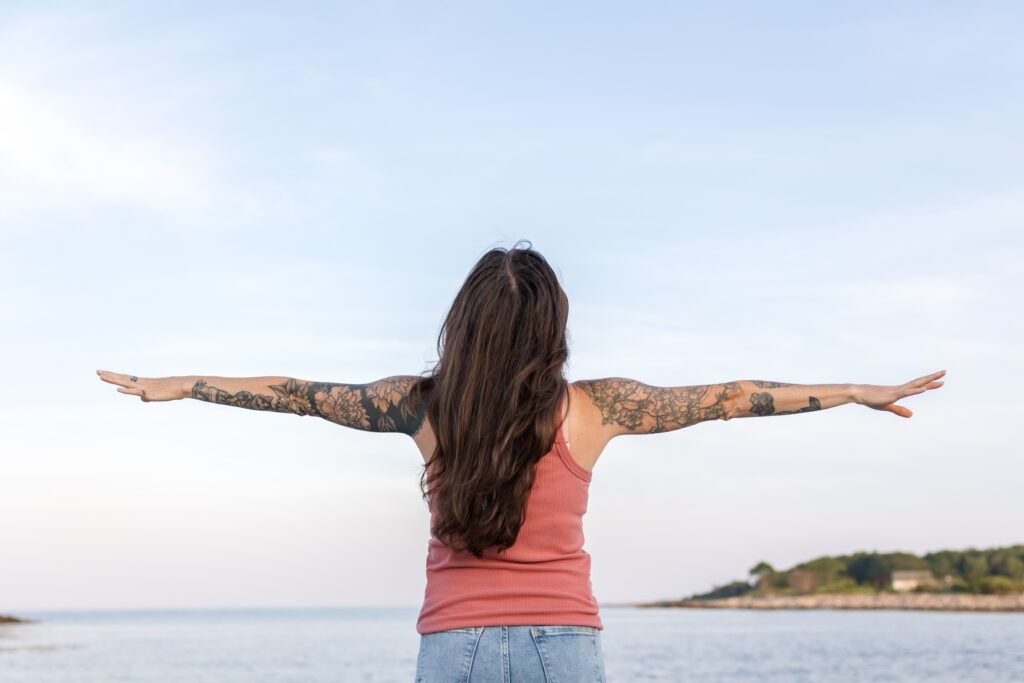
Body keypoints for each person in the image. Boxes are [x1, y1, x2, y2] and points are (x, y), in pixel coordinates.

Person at [97, 242, 946, 682]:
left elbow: (300, 393)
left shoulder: (420, 404)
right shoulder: (597, 407)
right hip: (564, 644)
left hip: (453, 645)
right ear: (553, 328)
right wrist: (851, 390)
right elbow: (730, 396)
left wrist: (185, 385)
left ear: (464, 325)